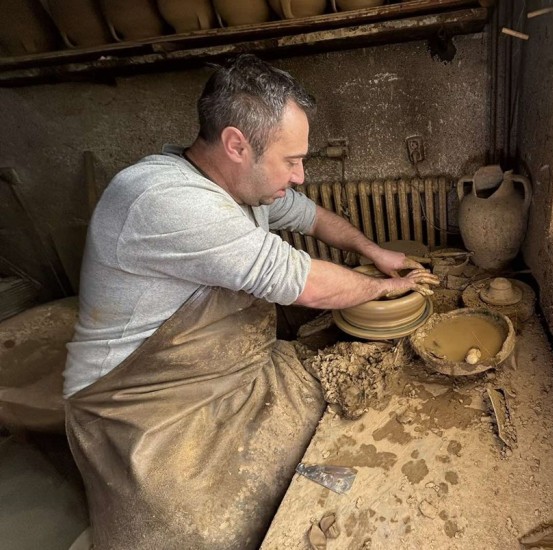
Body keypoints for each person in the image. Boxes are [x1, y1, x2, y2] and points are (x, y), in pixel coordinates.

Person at [63, 54, 438, 550]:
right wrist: (380, 288)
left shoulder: (241, 183)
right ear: (237, 144)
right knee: (215, 531)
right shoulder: (165, 199)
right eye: (292, 161)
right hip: (144, 411)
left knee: (329, 422)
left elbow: (309, 216)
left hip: (228, 371)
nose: (301, 175)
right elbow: (296, 279)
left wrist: (372, 252)